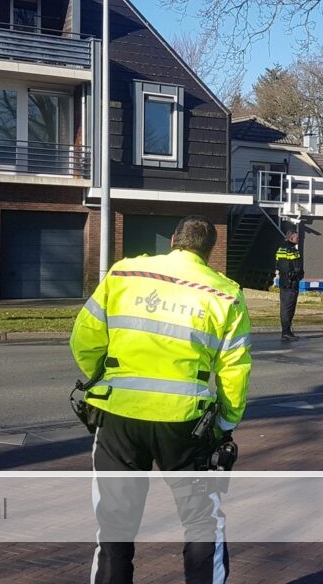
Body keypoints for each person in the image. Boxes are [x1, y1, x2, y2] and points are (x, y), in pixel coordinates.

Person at [70, 216, 252, 584]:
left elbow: (84, 341)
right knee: (203, 523)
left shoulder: (123, 275)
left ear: (173, 240)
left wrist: (108, 379)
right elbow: (235, 370)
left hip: (118, 419)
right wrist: (225, 423)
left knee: (114, 528)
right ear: (210, 251)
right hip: (186, 427)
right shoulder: (226, 294)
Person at [274, 230, 304, 342]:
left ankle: (287, 331)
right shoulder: (288, 250)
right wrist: (292, 278)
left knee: (288, 308)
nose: (298, 239)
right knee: (287, 308)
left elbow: (295, 266)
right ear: (291, 238)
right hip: (289, 284)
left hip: (289, 283)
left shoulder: (287, 249)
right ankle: (286, 332)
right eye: (296, 237)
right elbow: (288, 267)